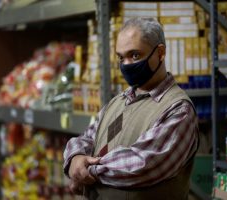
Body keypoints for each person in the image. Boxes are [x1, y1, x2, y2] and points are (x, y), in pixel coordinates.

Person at [63, 17, 199, 200]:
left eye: (135, 55)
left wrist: (86, 171)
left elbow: (144, 164)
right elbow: (88, 138)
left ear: (160, 53)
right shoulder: (119, 102)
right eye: (121, 57)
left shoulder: (178, 109)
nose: (126, 64)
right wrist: (75, 157)